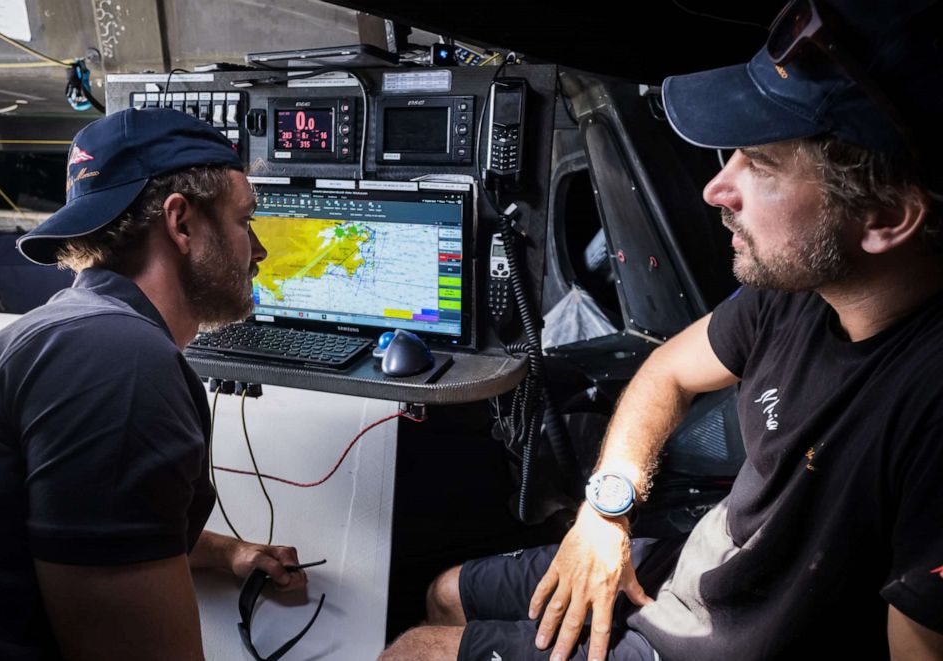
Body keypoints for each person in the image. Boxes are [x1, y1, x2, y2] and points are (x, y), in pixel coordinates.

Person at [382, 0, 943, 659]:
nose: (717, 187)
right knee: (445, 593)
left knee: (414, 649)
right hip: (694, 575)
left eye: (760, 165)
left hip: (724, 643)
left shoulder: (928, 403)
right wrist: (605, 510)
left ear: (883, 218)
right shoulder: (798, 293)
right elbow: (668, 370)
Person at [0, 108, 306, 660]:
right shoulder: (117, 361)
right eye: (244, 221)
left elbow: (81, 529)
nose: (256, 251)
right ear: (181, 223)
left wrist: (225, 553)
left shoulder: (78, 326)